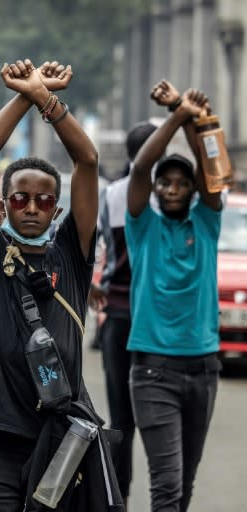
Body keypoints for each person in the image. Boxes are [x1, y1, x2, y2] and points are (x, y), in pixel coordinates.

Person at [0, 59, 117, 510]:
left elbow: (87, 159)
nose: (31, 207)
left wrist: (47, 100)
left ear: (57, 208)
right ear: (3, 204)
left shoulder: (71, 252)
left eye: (44, 200)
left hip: (63, 438)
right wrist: (24, 95)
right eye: (19, 198)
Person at [126, 81, 222, 512]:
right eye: (165, 182)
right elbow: (140, 169)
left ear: (193, 190)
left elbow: (215, 173)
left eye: (183, 182)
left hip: (204, 369)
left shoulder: (206, 223)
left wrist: (195, 120)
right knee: (166, 489)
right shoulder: (143, 227)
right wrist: (178, 116)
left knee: (184, 488)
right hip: (153, 372)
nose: (171, 188)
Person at [90, 121, 156, 502]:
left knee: (121, 420)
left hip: (118, 312)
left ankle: (119, 500)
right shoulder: (169, 195)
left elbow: (92, 246)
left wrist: (89, 282)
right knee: (155, 420)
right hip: (149, 317)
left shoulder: (113, 193)